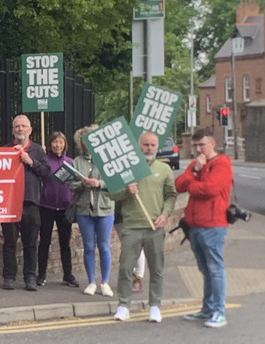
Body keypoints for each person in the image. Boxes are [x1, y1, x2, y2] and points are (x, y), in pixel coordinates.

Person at [110, 131, 176, 322]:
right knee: (125, 268)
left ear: (157, 147)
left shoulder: (164, 169)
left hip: (155, 227)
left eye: (152, 145)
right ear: (138, 147)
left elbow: (171, 196)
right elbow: (112, 193)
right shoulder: (128, 169)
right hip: (131, 226)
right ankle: (123, 305)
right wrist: (126, 190)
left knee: (156, 269)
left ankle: (155, 306)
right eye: (145, 145)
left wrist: (165, 214)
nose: (149, 148)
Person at [176, 128, 232, 328]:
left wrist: (192, 184)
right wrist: (194, 171)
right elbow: (178, 185)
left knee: (215, 269)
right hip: (194, 224)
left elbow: (210, 189)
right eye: (195, 145)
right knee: (205, 269)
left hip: (213, 224)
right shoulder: (196, 164)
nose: (198, 149)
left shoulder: (222, 163)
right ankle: (207, 308)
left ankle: (219, 311)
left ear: (212, 144)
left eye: (202, 145)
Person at [1, 115, 50, 291]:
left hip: (31, 202)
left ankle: (30, 277)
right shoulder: (5, 149)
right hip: (9, 204)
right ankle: (9, 276)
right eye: (17, 126)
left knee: (30, 243)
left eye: (23, 126)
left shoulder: (38, 150)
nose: (20, 129)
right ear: (13, 130)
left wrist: (31, 162)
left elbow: (46, 172)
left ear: (30, 129)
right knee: (10, 242)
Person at [68, 124, 115, 297]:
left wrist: (99, 183)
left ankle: (105, 282)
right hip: (84, 209)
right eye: (84, 140)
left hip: (105, 208)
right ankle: (91, 282)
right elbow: (70, 185)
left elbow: (116, 183)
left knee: (104, 246)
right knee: (88, 246)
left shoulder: (107, 160)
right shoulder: (76, 162)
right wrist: (82, 184)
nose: (87, 143)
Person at [37, 131, 79, 288]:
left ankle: (68, 275)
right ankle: (41, 274)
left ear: (65, 144)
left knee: (65, 242)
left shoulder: (70, 163)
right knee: (44, 241)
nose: (58, 145)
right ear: (50, 144)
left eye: (61, 142)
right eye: (55, 142)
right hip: (46, 206)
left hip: (64, 207)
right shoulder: (45, 161)